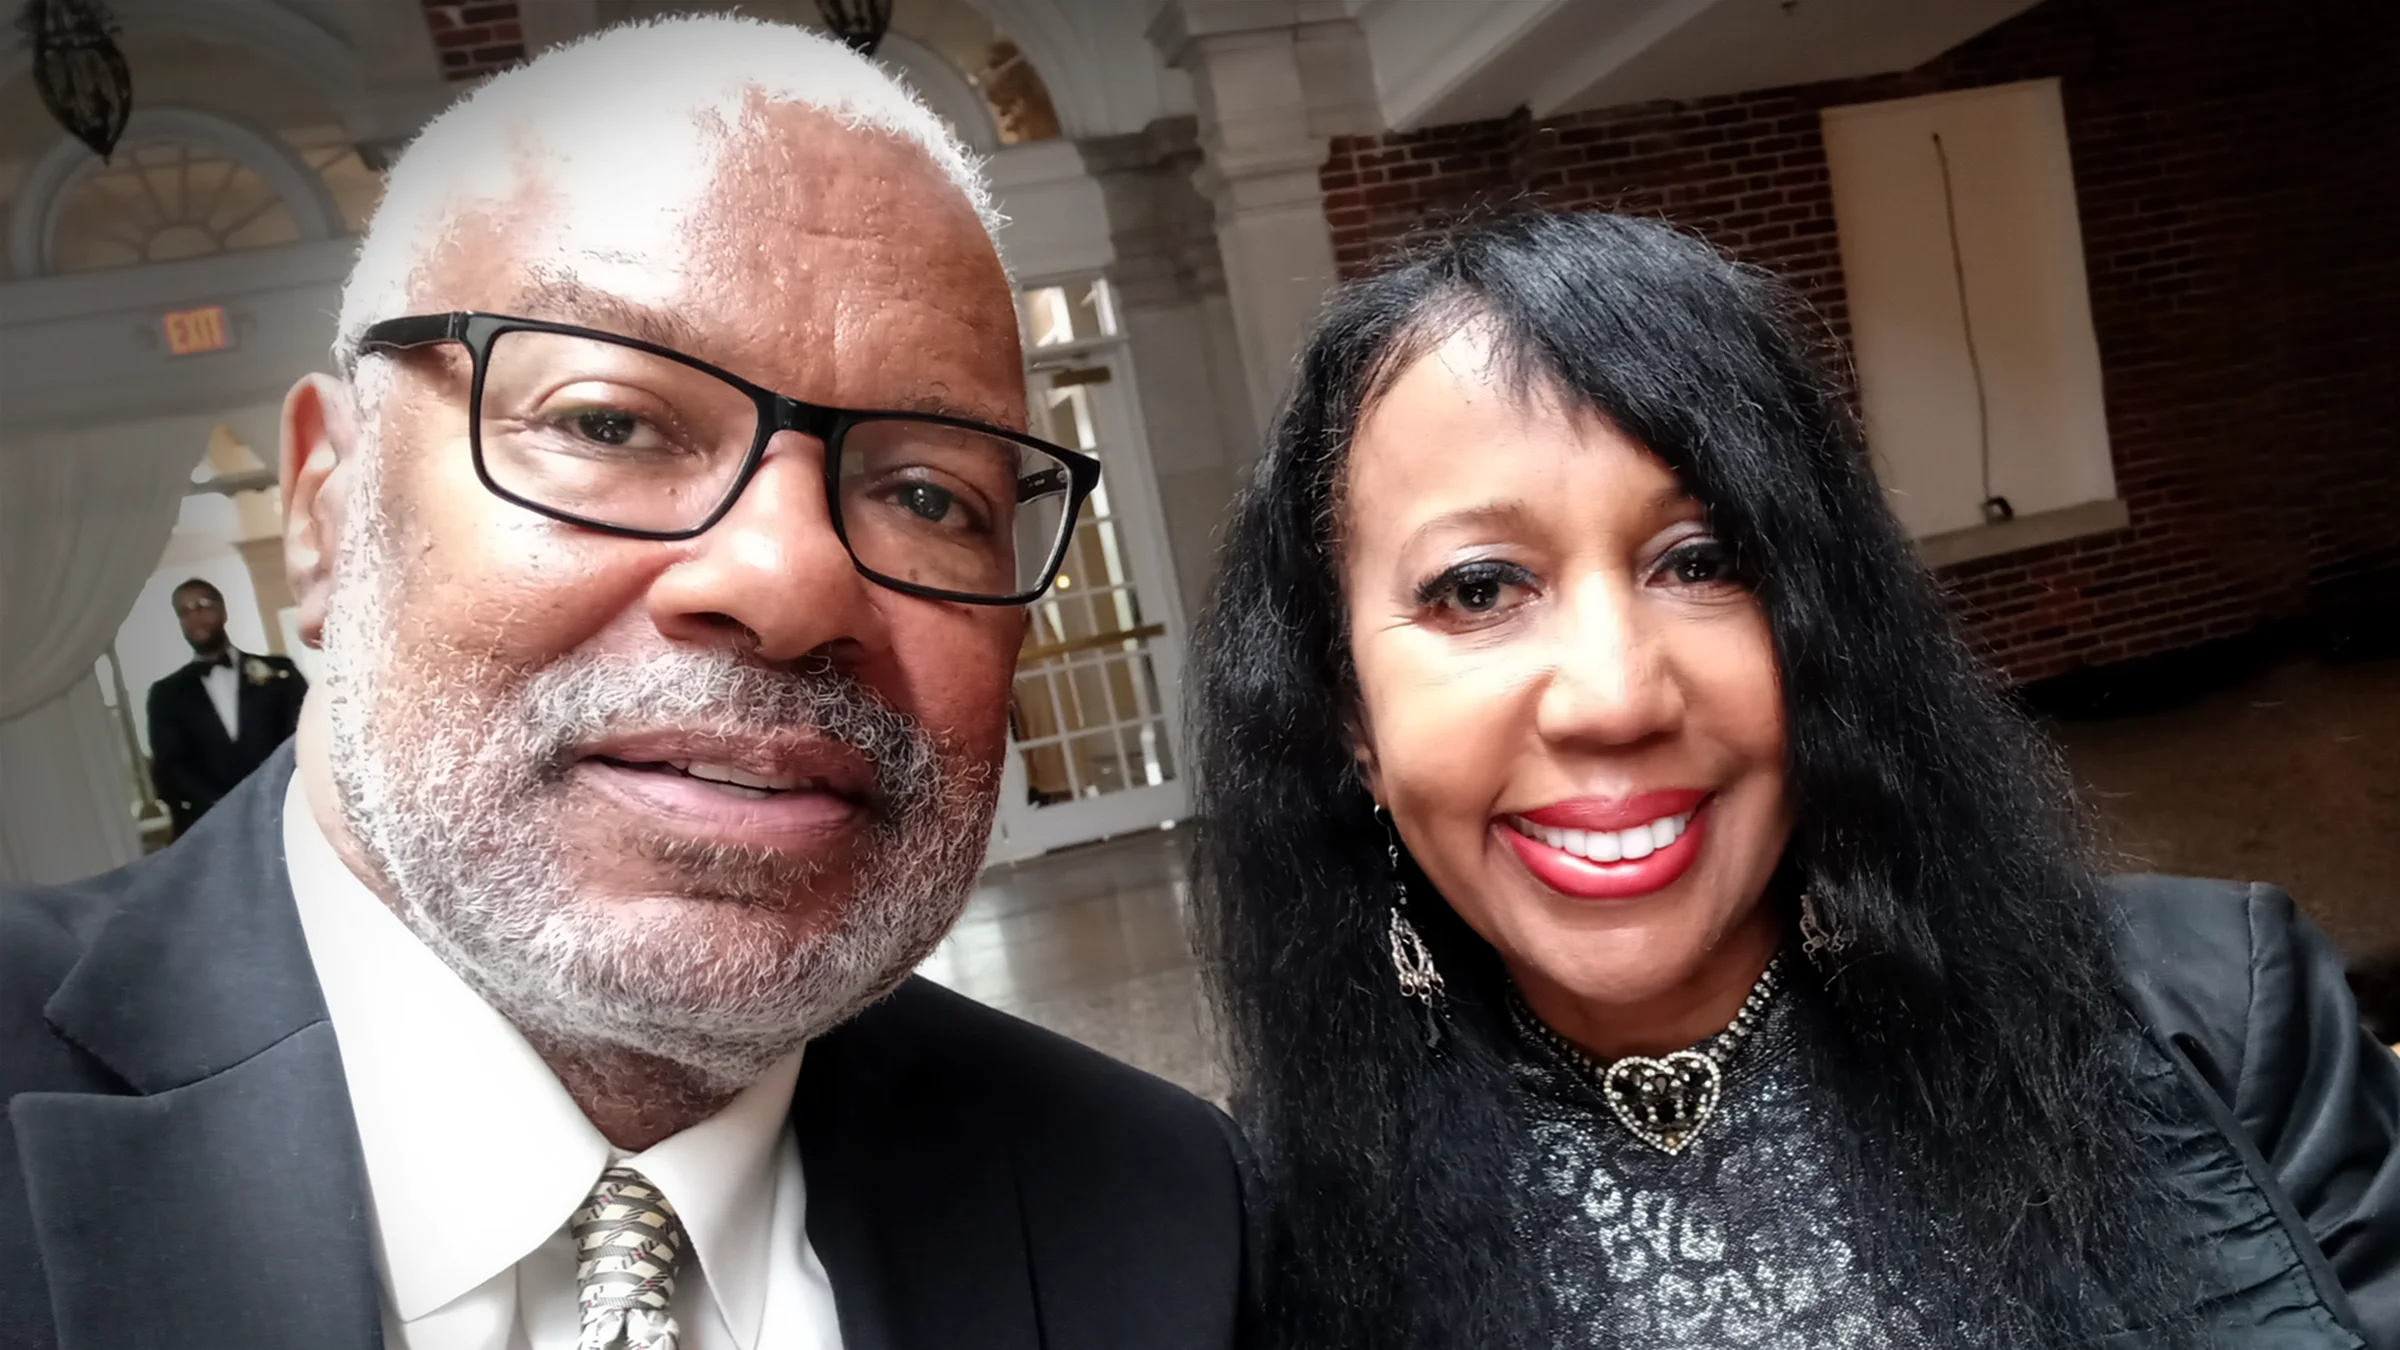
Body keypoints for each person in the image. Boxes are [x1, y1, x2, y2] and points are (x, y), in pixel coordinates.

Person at [0, 19, 1244, 1350]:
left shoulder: (1172, 1215)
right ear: (325, 509)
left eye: (932, 495)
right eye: (610, 422)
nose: (790, 581)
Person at [1187, 210, 2400, 1350]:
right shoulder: (1257, 1241)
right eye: (1478, 588)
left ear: (1829, 629)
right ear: (1350, 713)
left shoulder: (2225, 1022)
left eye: (1702, 560)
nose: (1615, 697)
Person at [144, 576, 308, 835]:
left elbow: (304, 738)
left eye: (202, 605)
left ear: (223, 610)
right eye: (184, 611)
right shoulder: (166, 694)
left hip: (289, 813)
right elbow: (171, 767)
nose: (195, 617)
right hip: (215, 827)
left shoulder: (280, 672)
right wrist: (224, 807)